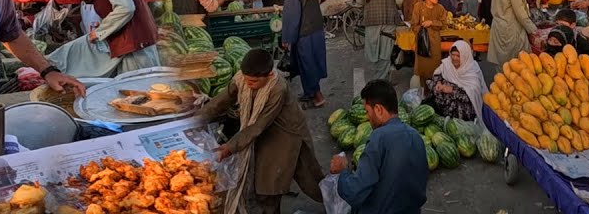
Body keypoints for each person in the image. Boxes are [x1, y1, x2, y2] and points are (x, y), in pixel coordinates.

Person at [199, 48, 324, 213]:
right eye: (246, 80)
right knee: (264, 185)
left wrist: (229, 147)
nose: (248, 85)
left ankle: (345, 199)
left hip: (286, 135)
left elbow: (258, 125)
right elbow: (223, 99)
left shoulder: (277, 89)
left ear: (269, 75)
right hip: (265, 132)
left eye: (253, 82)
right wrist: (198, 117)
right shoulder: (242, 78)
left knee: (308, 182)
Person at [332, 79, 428, 214]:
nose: (367, 117)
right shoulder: (416, 136)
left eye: (367, 111)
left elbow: (354, 192)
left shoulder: (379, 138)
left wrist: (342, 171)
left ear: (378, 109)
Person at [280, 0, 328, 108]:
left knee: (306, 64)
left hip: (304, 30)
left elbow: (291, 14)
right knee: (313, 61)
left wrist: (287, 37)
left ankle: (317, 96)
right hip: (316, 27)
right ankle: (309, 93)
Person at [357, 0, 403, 82]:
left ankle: (378, 80)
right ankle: (382, 80)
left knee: (373, 52)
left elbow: (359, 1)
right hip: (388, 21)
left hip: (371, 21)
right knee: (385, 52)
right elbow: (399, 0)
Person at [424, 41, 487, 122]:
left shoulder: (472, 71)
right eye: (452, 55)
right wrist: (439, 83)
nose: (454, 58)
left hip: (463, 105)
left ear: (465, 56)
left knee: (460, 106)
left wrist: (452, 90)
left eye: (458, 56)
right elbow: (437, 74)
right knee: (432, 85)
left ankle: (453, 122)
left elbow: (471, 95)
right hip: (446, 99)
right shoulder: (448, 63)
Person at [410, 0, 447, 90]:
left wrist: (432, 23)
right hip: (422, 44)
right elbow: (413, 25)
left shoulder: (440, 8)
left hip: (435, 44)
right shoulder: (418, 7)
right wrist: (422, 30)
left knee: (435, 70)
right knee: (422, 70)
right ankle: (423, 92)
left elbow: (444, 24)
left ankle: (435, 91)